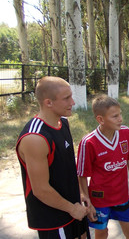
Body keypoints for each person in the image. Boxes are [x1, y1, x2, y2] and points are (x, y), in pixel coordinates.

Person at [16, 76, 89, 239]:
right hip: (54, 219)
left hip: (74, 208)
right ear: (48, 102)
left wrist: (81, 195)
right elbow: (41, 190)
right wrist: (72, 208)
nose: (73, 102)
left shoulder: (63, 122)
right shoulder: (35, 138)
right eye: (66, 98)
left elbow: (68, 166)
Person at [77, 95, 129, 239]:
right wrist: (88, 202)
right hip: (99, 200)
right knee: (102, 233)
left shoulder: (125, 133)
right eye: (115, 116)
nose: (120, 119)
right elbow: (81, 175)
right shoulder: (88, 142)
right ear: (100, 119)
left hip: (122, 197)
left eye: (120, 114)